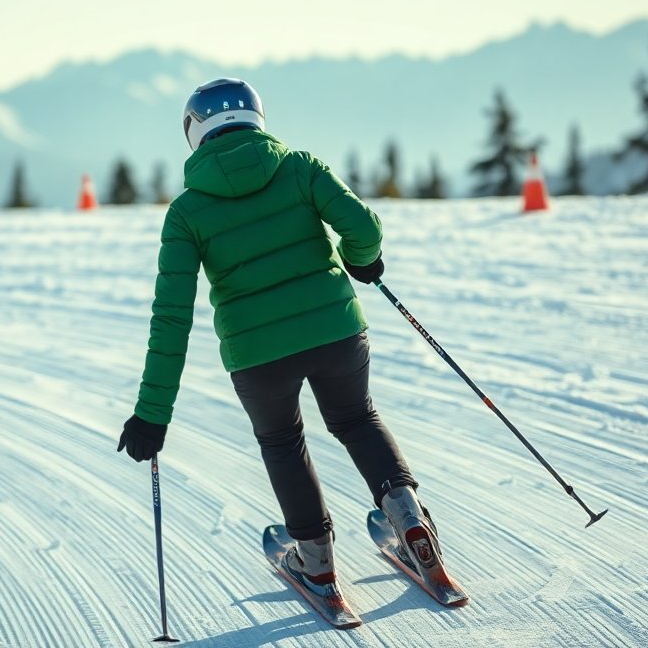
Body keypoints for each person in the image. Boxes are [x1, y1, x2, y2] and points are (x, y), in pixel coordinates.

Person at [117, 78, 447, 597]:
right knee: (357, 420)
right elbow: (362, 227)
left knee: (282, 441)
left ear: (193, 132)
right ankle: (410, 522)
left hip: (257, 356)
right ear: (257, 117)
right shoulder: (299, 167)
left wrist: (152, 415)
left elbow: (171, 319)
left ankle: (316, 562)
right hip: (337, 332)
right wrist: (362, 261)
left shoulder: (185, 213)